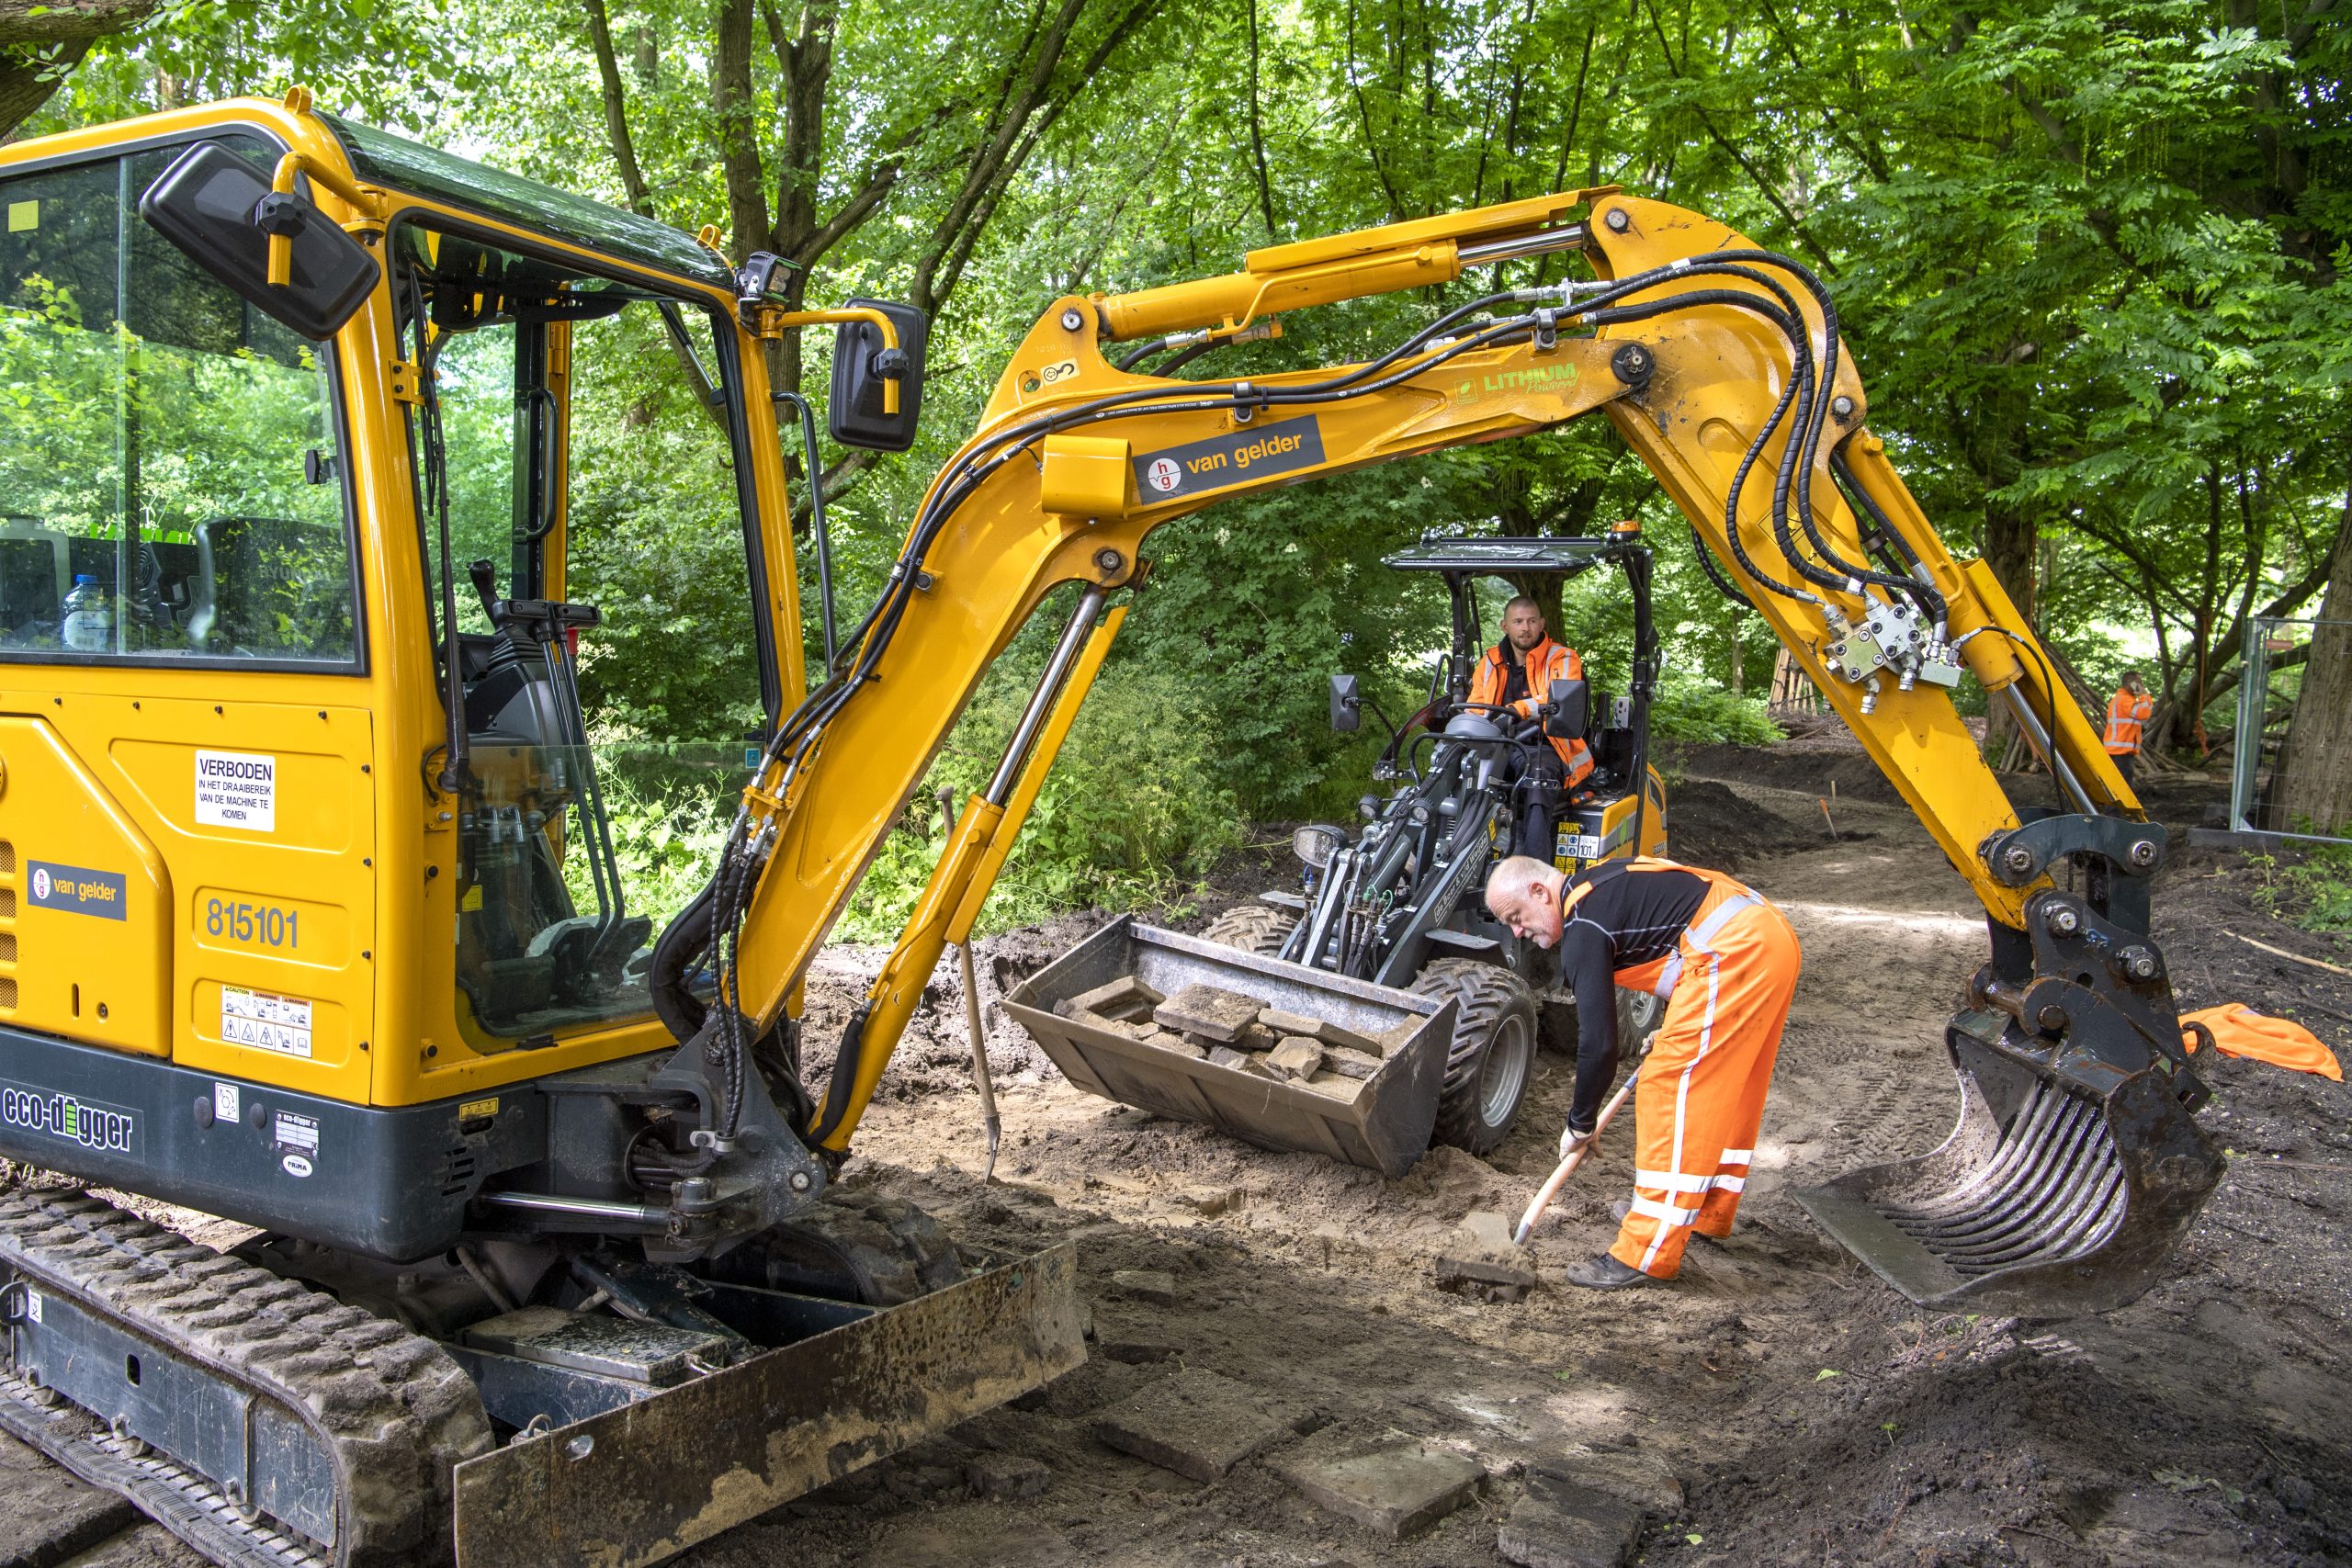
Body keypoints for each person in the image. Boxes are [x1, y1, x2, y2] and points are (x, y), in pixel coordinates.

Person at [1484, 853, 1802, 1288]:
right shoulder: (1598, 889)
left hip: (1734, 953)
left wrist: (1579, 1123)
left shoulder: (1585, 927)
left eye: (1516, 917)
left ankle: (1645, 1252)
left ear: (1540, 893)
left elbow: (1599, 1046)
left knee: (1668, 1087)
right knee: (1725, 1084)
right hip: (1765, 940)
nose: (1518, 932)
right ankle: (1702, 1208)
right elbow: (1676, 932)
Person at [1465, 596, 1594, 860]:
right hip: (1498, 745)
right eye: (1518, 621)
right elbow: (1475, 707)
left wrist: (1517, 710)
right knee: (1458, 770)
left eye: (1532, 621)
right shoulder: (1489, 662)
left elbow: (1558, 700)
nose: (1525, 628)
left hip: (1547, 745)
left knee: (1537, 779)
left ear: (1542, 623)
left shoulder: (1563, 658)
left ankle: (1535, 870)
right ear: (1505, 626)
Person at [2103, 671, 2154, 788]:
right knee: (2122, 788)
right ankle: (2117, 808)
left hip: (2117, 751)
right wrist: (2144, 695)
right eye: (2139, 682)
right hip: (2121, 752)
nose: (2142, 685)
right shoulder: (2125, 700)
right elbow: (2143, 713)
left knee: (2117, 786)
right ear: (2131, 683)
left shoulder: (2121, 699)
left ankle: (2116, 807)